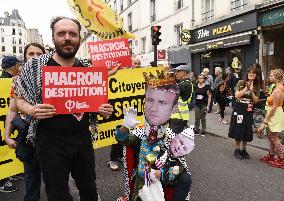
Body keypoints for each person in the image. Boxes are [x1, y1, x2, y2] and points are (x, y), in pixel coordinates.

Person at [16, 16, 113, 201]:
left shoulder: (87, 67)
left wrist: (102, 109)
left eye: (72, 34)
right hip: (49, 142)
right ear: (53, 38)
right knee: (57, 193)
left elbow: (93, 103)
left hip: (82, 139)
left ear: (78, 38)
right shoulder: (35, 66)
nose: (67, 38)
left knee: (89, 189)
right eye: (61, 33)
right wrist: (31, 110)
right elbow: (19, 100)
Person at [116, 70, 194, 201]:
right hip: (143, 184)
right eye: (150, 100)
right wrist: (125, 127)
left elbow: (180, 166)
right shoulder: (140, 134)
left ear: (174, 108)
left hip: (163, 181)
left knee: (186, 178)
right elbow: (122, 139)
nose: (153, 108)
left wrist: (164, 173)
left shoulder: (171, 137)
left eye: (162, 102)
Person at [4, 43, 45, 200]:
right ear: (25, 58)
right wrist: (7, 136)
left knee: (56, 179)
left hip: (51, 137)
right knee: (31, 178)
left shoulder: (55, 77)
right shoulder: (17, 81)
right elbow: (12, 110)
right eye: (31, 54)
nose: (35, 57)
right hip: (28, 136)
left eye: (38, 54)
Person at [228, 66, 260, 159]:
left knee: (247, 128)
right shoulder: (241, 82)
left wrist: (251, 91)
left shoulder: (257, 86)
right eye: (250, 72)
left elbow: (255, 101)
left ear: (256, 75)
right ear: (247, 74)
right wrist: (246, 89)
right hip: (239, 108)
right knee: (238, 127)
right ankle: (237, 150)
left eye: (253, 73)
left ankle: (244, 150)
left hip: (248, 109)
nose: (251, 74)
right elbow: (236, 95)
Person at [0, 56, 20, 193]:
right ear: (14, 66)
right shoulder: (8, 82)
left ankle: (11, 172)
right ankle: (3, 181)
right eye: (18, 65)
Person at [258, 69, 284, 169]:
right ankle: (271, 155)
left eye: (271, 75)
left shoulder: (278, 89)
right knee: (270, 136)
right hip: (275, 114)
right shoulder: (277, 88)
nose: (269, 77)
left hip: (274, 115)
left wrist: (267, 119)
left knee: (274, 137)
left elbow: (274, 107)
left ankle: (281, 159)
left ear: (276, 77)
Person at [170, 65, 194, 134]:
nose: (175, 73)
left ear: (184, 73)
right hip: (177, 117)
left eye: (178, 72)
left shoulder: (185, 85)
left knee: (173, 139)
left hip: (178, 117)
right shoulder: (183, 83)